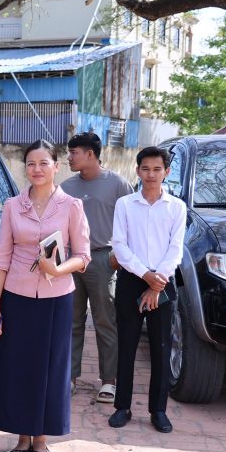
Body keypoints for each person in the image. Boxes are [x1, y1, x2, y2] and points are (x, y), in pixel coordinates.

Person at [0, 139, 91, 452]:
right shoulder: (12, 206)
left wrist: (58, 269)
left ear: (56, 167)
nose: (37, 169)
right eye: (31, 163)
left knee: (51, 367)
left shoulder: (71, 206)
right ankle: (21, 435)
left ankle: (42, 438)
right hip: (16, 297)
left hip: (57, 298)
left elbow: (83, 256)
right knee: (18, 366)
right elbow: (2, 258)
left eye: (44, 163)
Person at [108, 146, 187, 434]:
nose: (151, 174)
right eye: (146, 169)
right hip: (132, 280)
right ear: (138, 171)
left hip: (163, 282)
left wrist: (157, 282)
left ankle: (158, 410)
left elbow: (176, 249)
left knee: (161, 347)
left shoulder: (176, 207)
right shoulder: (125, 204)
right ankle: (122, 406)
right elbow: (120, 245)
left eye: (157, 169)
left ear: (167, 172)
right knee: (127, 344)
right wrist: (145, 275)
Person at [62, 132, 134, 403]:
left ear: (90, 154)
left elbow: (133, 222)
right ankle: (69, 377)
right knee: (71, 321)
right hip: (71, 262)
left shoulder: (118, 184)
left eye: (74, 153)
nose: (69, 158)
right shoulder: (66, 187)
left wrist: (117, 257)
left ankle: (109, 381)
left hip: (103, 259)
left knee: (105, 321)